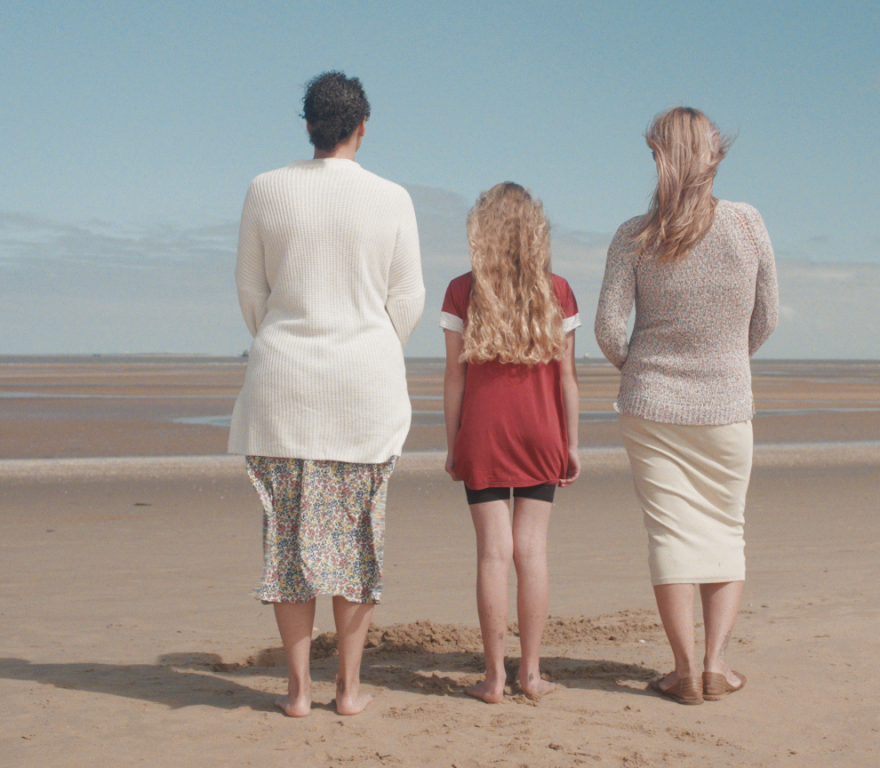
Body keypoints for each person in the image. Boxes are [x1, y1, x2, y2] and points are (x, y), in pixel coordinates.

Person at [228, 71, 424, 717]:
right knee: (356, 542)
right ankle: (347, 687)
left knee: (288, 543)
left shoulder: (265, 189)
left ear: (307, 125)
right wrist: (367, 346)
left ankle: (297, 689)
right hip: (363, 393)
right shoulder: (393, 198)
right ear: (362, 128)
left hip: (283, 389)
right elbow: (408, 300)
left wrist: (289, 342)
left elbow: (252, 296)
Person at [595, 107, 778, 705]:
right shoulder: (748, 224)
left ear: (657, 156)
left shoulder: (633, 233)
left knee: (670, 535)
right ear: (714, 156)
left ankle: (681, 669)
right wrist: (728, 359)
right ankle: (716, 665)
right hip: (727, 401)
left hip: (652, 404)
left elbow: (606, 328)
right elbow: (766, 318)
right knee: (727, 530)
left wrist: (642, 369)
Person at [440, 182, 581, 703]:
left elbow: (454, 377)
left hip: (484, 430)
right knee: (533, 552)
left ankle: (495, 678)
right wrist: (571, 443)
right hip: (542, 429)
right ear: (535, 232)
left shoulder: (462, 289)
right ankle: (532, 674)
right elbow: (567, 377)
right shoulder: (558, 290)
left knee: (492, 555)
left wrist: (452, 442)